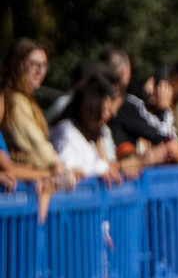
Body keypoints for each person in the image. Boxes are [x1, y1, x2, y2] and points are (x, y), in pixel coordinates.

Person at [0, 39, 69, 181]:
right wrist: (56, 166)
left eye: (44, 65)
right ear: (17, 65)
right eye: (34, 64)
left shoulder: (26, 99)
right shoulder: (16, 100)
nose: (40, 71)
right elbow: (34, 143)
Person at [49, 72, 124, 183]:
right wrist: (101, 168)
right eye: (104, 110)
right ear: (91, 108)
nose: (109, 115)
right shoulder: (65, 132)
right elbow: (67, 168)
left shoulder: (85, 137)